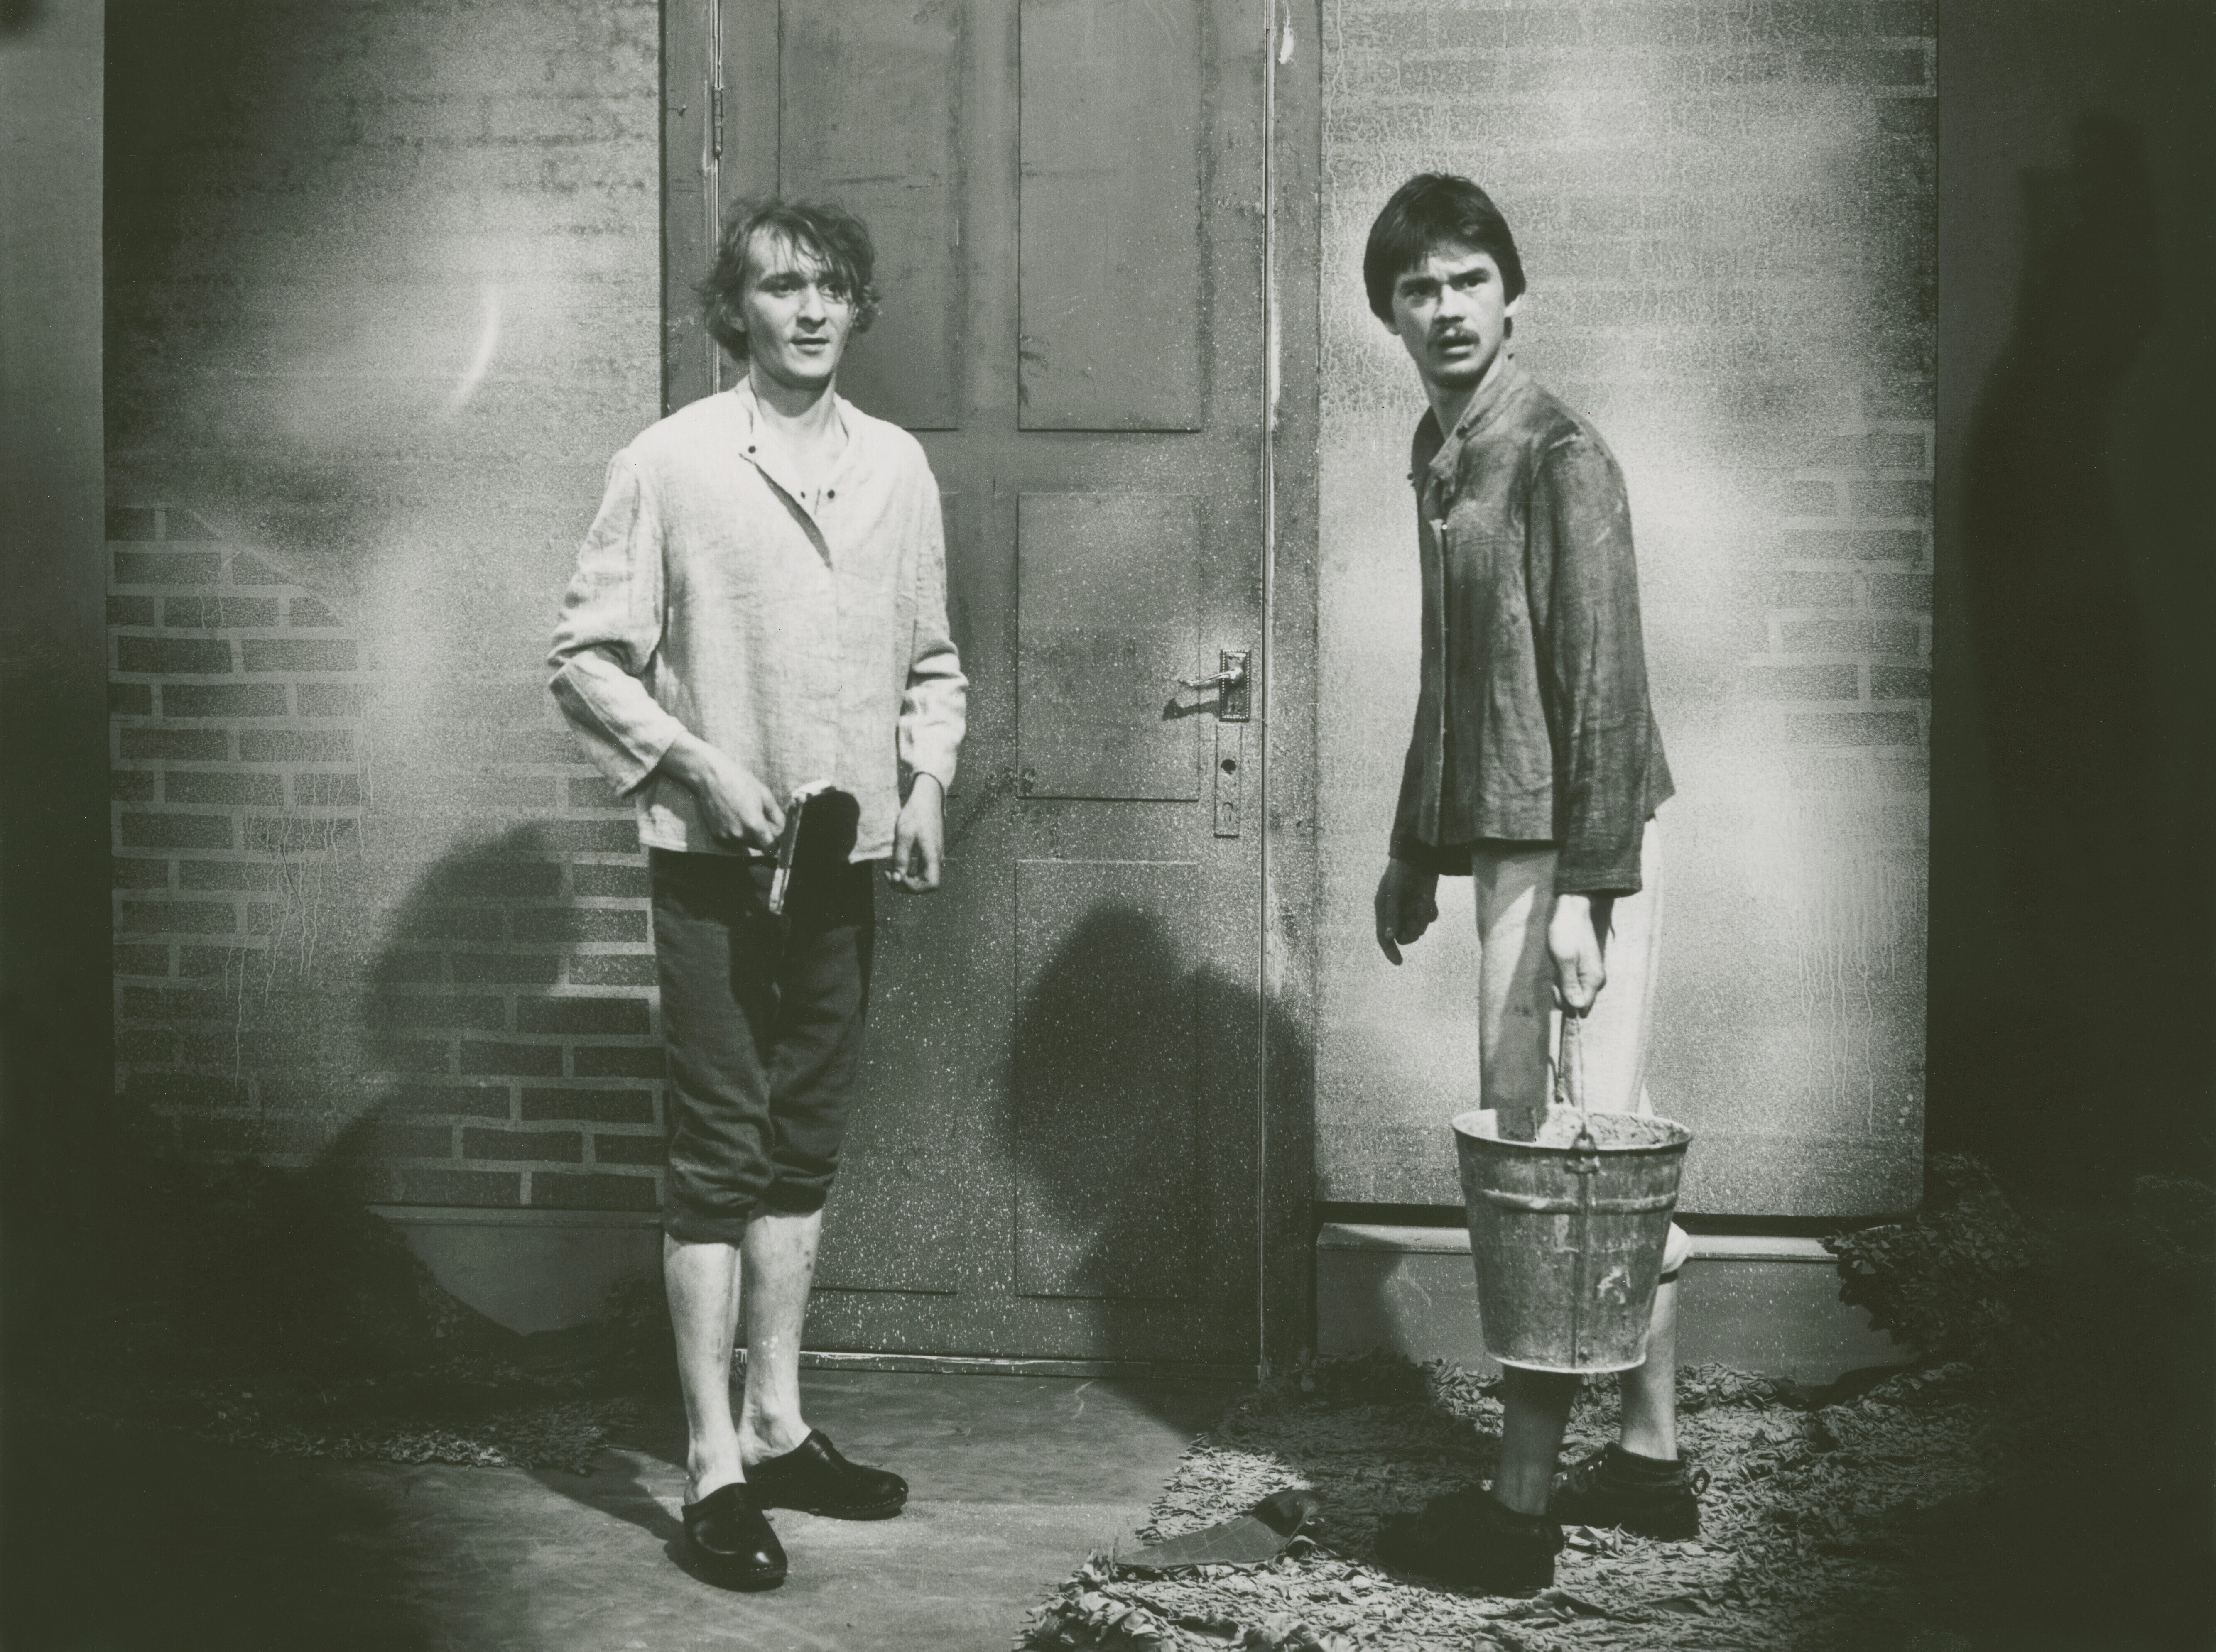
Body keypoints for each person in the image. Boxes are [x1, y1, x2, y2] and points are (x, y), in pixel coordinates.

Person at [547, 197, 967, 1591]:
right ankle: (711, 1461)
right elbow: (584, 657)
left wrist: (926, 781)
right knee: (720, 1155)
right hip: (713, 865)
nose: (810, 309)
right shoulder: (670, 462)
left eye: (832, 286)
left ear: (858, 306)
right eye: (782, 286)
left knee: (801, 1146)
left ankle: (779, 1426)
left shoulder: (898, 467)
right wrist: (697, 765)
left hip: (843, 861)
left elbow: (932, 659)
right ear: (739, 309)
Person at [1359, 174, 1702, 1594]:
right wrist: (1412, 847)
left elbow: (1606, 684)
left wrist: (1583, 895)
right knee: (1595, 1148)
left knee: (1551, 1170)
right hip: (1514, 842)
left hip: (1579, 848)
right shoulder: (1446, 447)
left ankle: (1516, 1517)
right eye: (1418, 289)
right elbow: (1454, 672)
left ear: (1514, 295)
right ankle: (1650, 1463)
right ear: (1390, 314)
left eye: (1468, 281)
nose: (1446, 308)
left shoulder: (1561, 454)